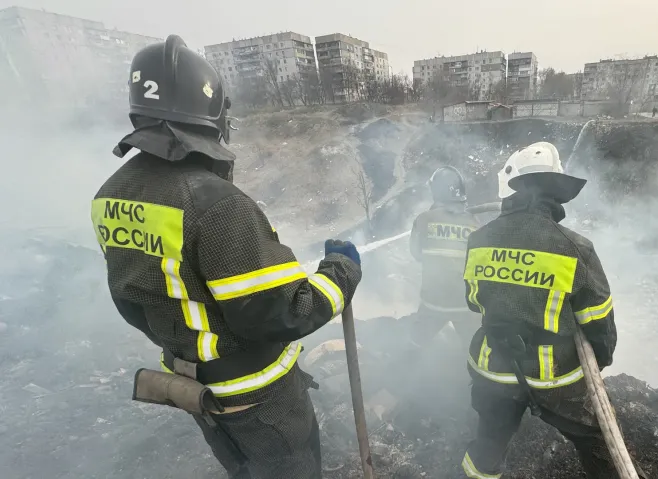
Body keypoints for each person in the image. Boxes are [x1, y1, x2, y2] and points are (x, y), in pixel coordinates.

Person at [90, 35, 362, 479]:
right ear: (212, 118)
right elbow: (282, 313)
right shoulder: (215, 203)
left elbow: (133, 299)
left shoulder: (111, 195)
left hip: (190, 383)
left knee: (243, 468)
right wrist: (342, 271)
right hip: (255, 394)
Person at [459, 142, 618, 478]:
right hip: (555, 378)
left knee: (488, 446)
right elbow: (597, 321)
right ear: (556, 193)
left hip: (493, 368)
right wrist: (601, 361)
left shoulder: (479, 238)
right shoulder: (576, 247)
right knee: (595, 441)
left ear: (510, 189)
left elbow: (473, 301)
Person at [408, 166, 481, 353]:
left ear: (436, 191)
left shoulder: (423, 220)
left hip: (433, 303)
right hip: (465, 305)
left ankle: (406, 364)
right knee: (474, 349)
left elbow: (416, 254)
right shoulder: (475, 223)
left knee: (415, 344)